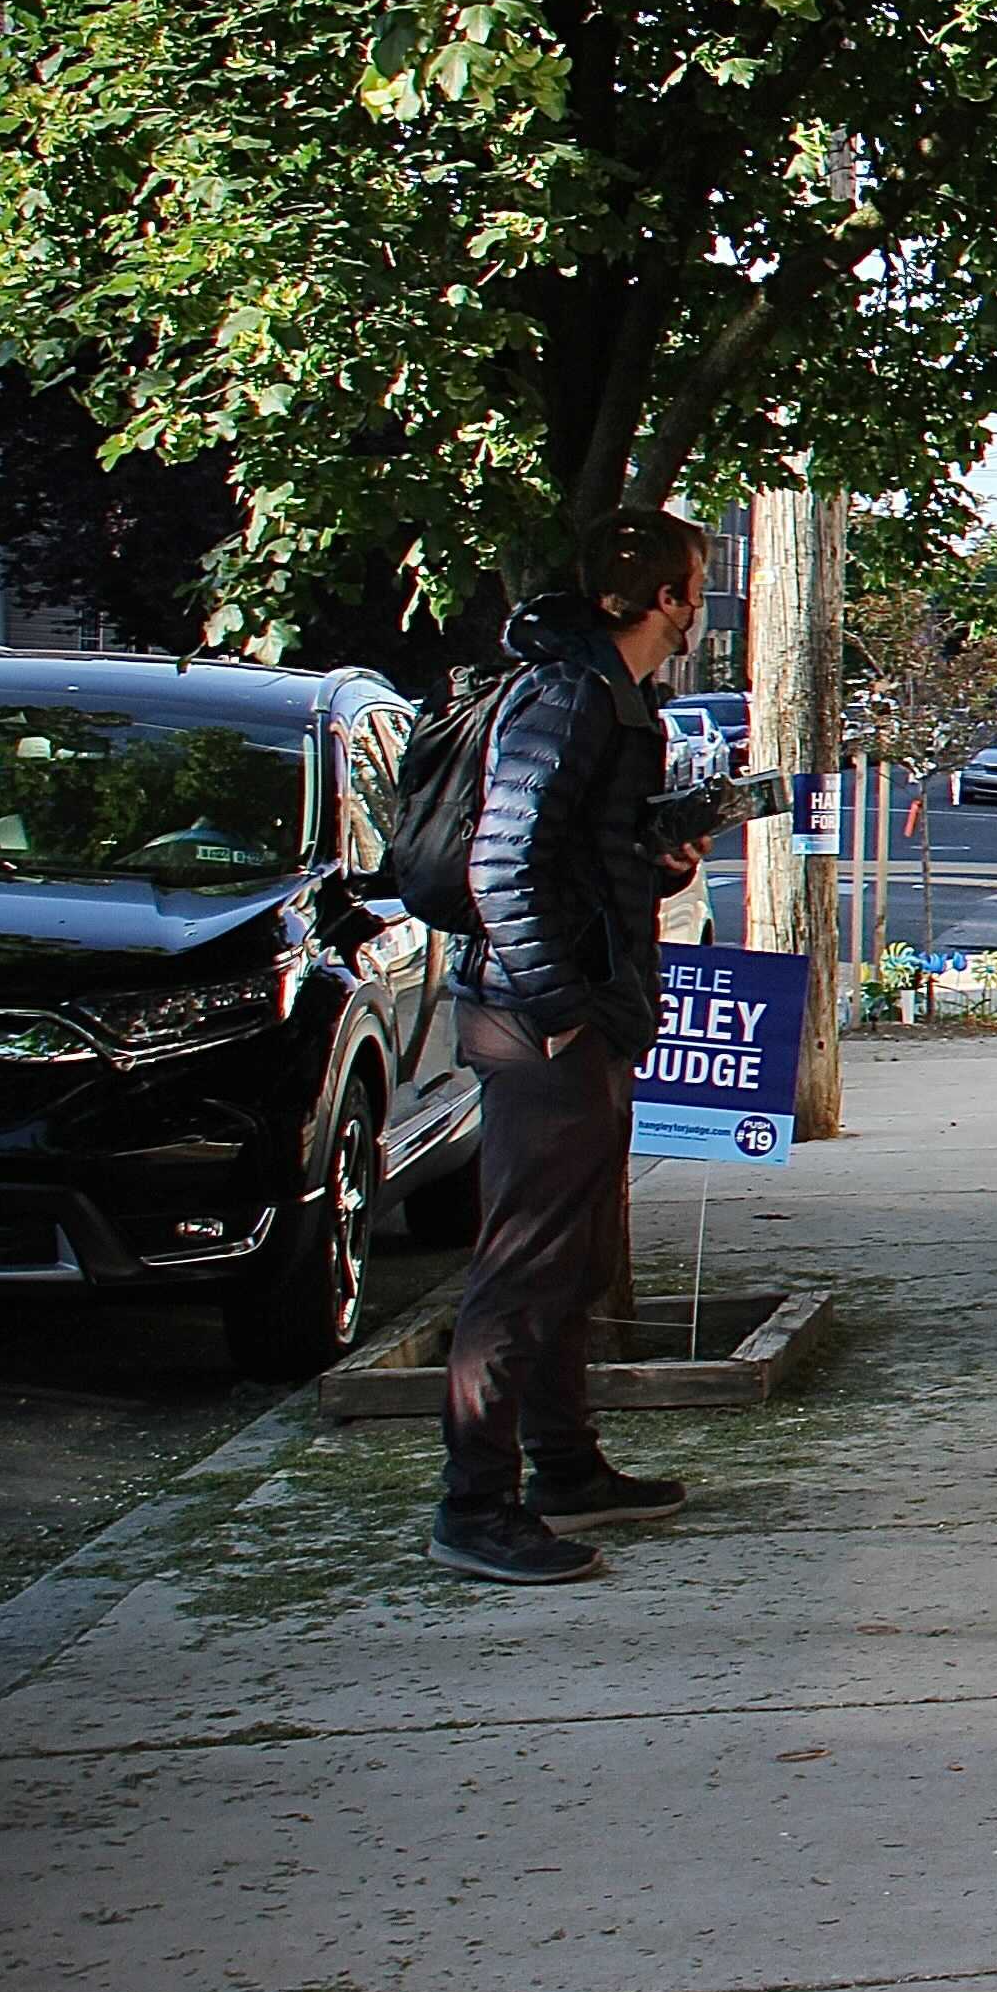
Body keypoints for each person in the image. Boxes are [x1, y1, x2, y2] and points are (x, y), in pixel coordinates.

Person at [434, 509, 715, 1586]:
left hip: (572, 1009)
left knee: (572, 1253)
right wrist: (558, 1002)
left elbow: (583, 864)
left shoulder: (610, 694)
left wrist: (663, 857)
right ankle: (474, 1501)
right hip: (540, 1019)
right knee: (524, 1262)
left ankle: (562, 1463)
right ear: (664, 598)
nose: (697, 600)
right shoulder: (567, 693)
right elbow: (501, 866)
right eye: (695, 581)